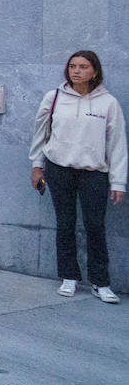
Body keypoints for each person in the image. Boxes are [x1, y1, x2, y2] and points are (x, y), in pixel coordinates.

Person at [30, 50, 126, 303]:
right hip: (59, 170)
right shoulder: (54, 98)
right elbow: (40, 135)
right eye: (72, 66)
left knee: (95, 226)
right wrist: (37, 166)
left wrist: (118, 181)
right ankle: (69, 277)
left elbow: (117, 145)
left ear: (94, 71)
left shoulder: (108, 103)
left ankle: (100, 282)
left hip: (94, 174)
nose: (76, 71)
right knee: (65, 224)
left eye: (83, 66)